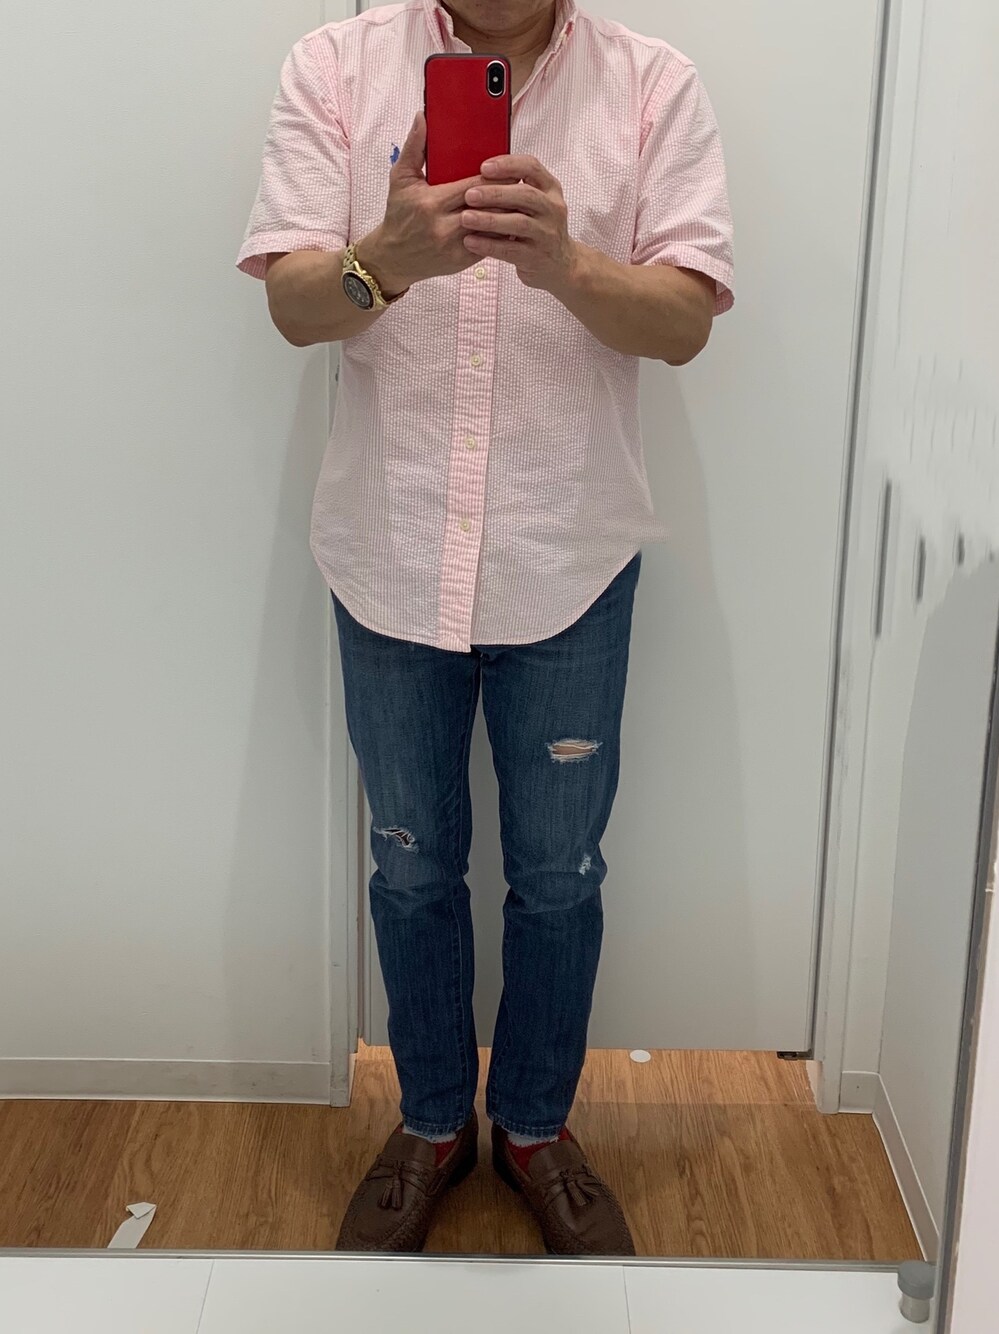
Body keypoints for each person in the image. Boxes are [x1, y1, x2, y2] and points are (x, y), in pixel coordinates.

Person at [238, 0, 733, 1256]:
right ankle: (430, 1120)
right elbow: (296, 305)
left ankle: (532, 1125)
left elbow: (684, 323)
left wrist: (564, 264)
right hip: (390, 552)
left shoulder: (652, 84)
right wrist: (387, 257)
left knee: (559, 877)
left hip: (567, 557)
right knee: (409, 864)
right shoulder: (334, 66)